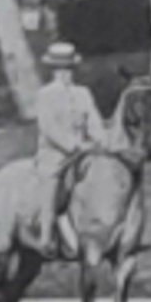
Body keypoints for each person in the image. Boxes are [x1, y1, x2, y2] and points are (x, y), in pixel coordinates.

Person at [34, 41, 107, 259]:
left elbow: (94, 121)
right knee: (52, 182)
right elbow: (49, 128)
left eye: (68, 69)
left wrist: (101, 140)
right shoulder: (45, 95)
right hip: (55, 155)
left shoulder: (83, 93)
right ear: (53, 70)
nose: (65, 74)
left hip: (85, 152)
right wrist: (73, 145)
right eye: (60, 69)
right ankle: (46, 237)